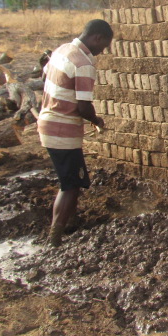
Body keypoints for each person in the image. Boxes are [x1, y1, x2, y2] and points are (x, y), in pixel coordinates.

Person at [38, 19, 113, 247]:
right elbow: (83, 107)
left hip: (47, 122)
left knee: (71, 180)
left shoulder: (62, 50)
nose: (102, 51)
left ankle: (69, 222)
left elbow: (44, 76)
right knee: (70, 185)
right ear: (96, 38)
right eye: (104, 45)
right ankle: (55, 236)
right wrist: (95, 119)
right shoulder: (83, 63)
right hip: (62, 130)